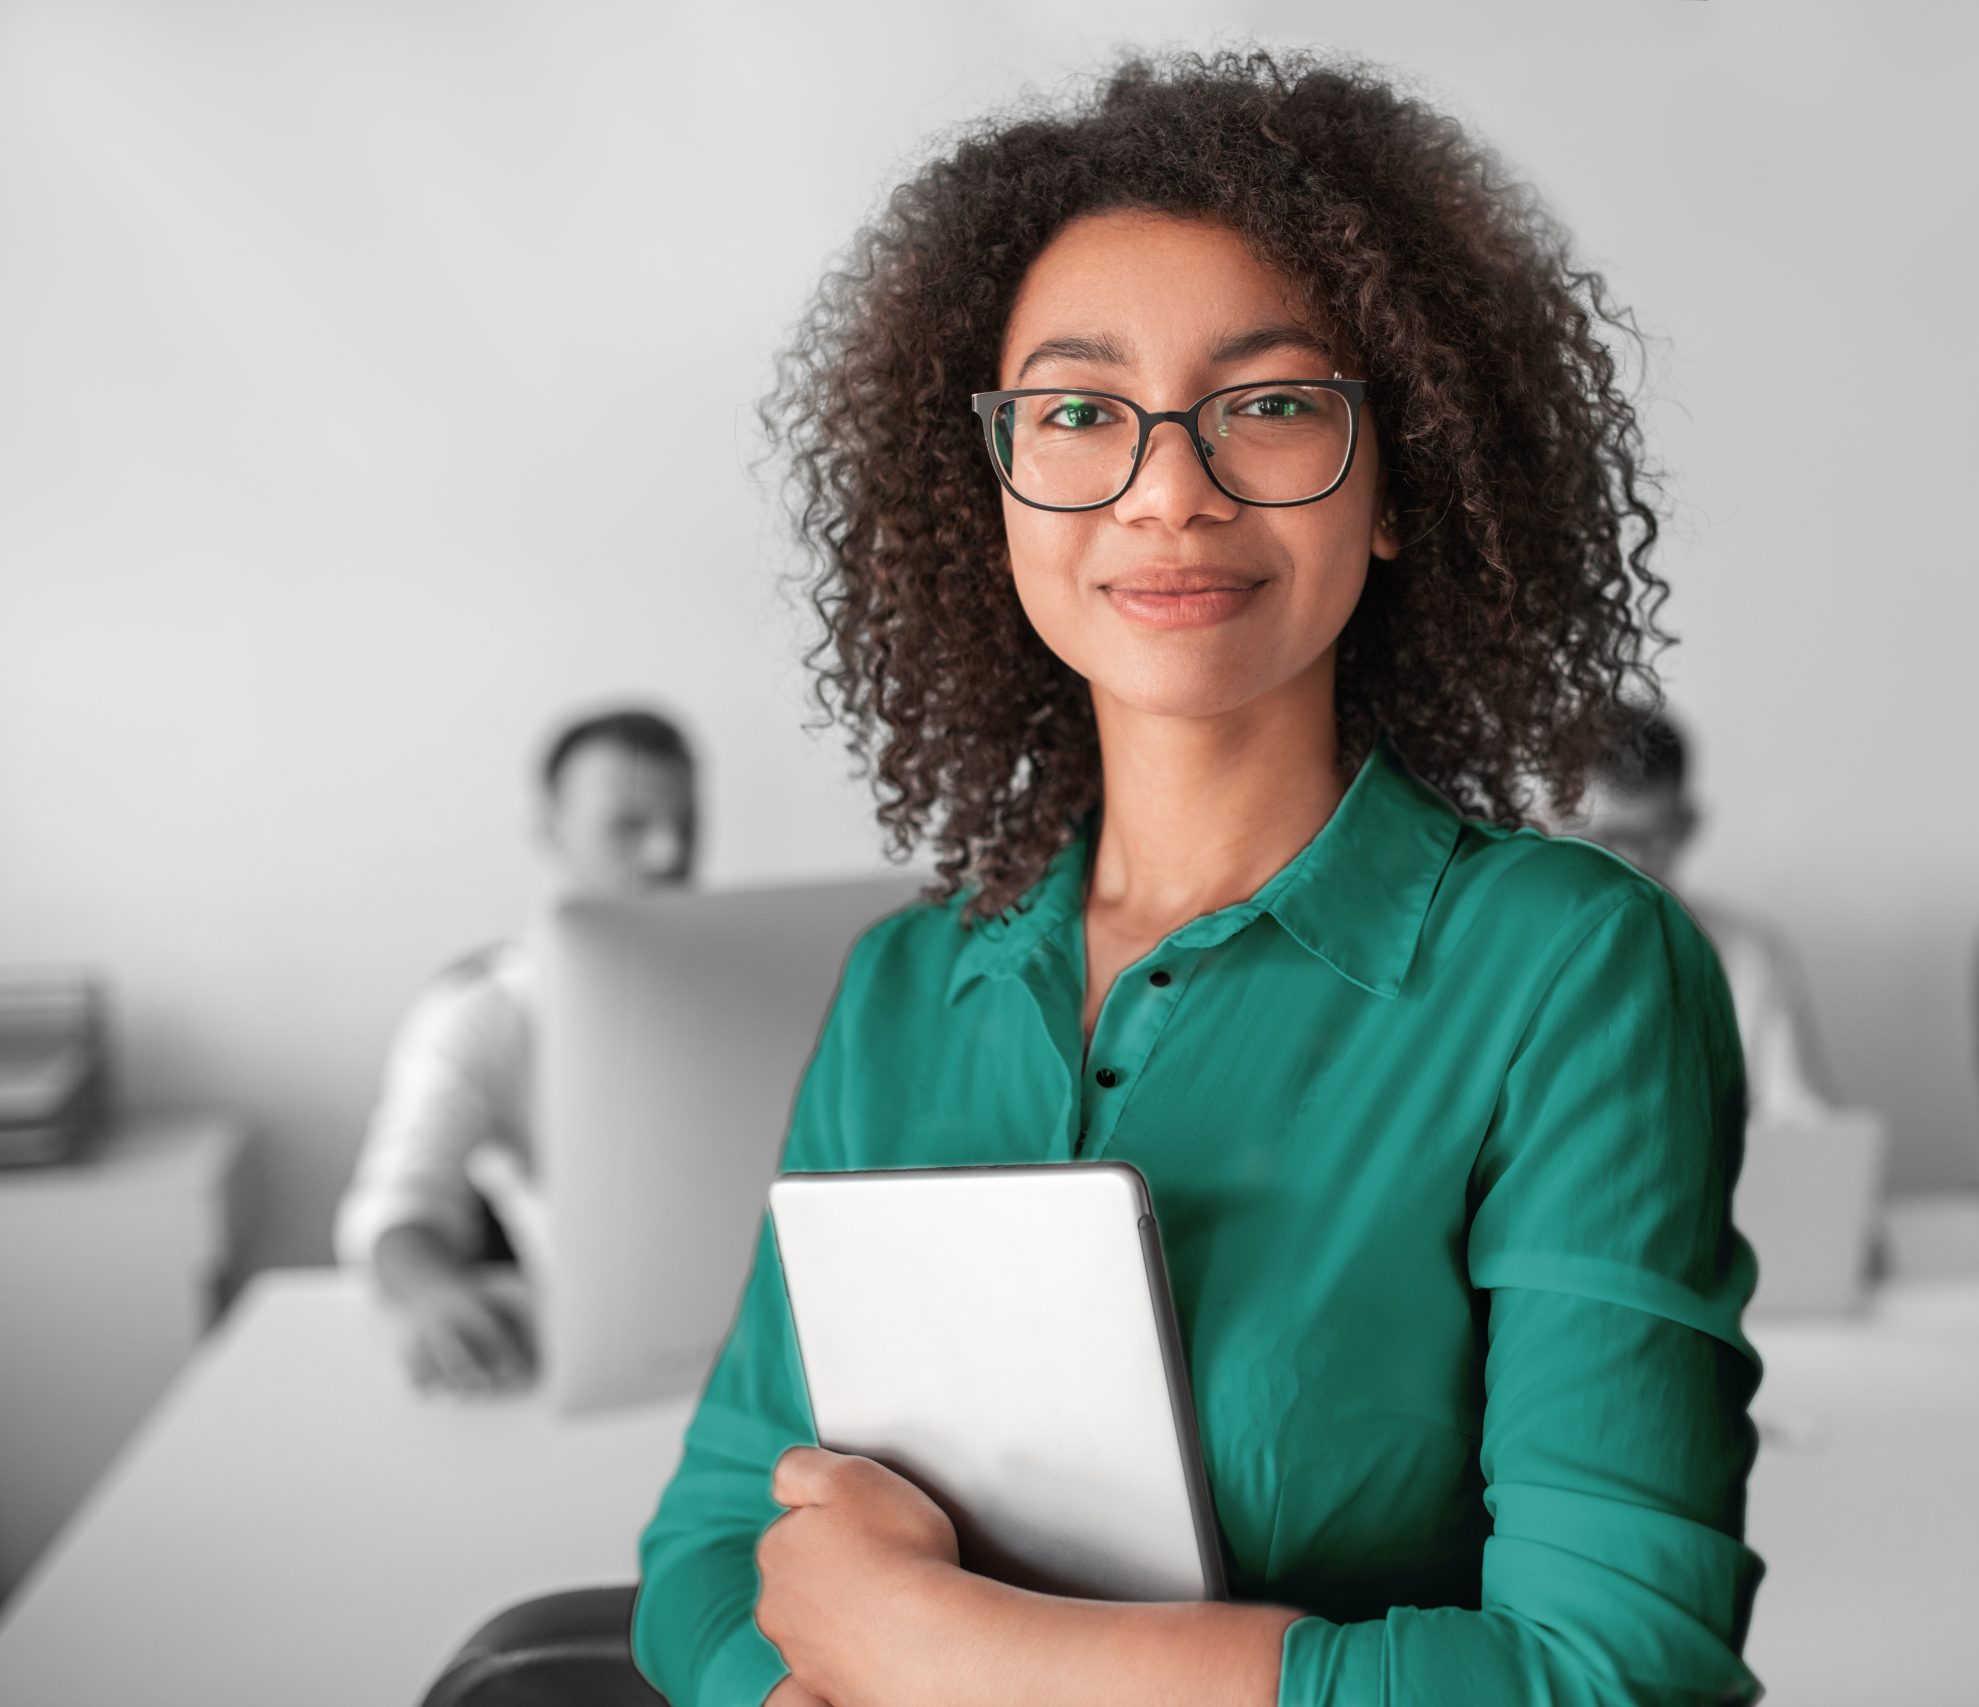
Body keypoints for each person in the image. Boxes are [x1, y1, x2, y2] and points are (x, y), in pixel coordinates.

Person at [634, 48, 1762, 1707]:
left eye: (1273, 403)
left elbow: (1616, 1672)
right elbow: (716, 1543)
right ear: (997, 493)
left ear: (1400, 484)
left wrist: (956, 1654)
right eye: (1081, 413)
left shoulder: (1571, 971)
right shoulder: (903, 987)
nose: (1170, 487)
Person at [333, 706, 699, 1395]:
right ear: (551, 831)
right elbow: (393, 1205)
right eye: (629, 825)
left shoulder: (761, 984)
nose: (668, 854)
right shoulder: (483, 1009)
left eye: (686, 823)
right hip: (599, 1366)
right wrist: (434, 1292)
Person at [1564, 708, 1841, 1129]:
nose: (1630, 861)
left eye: (1651, 837)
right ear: (1553, 829)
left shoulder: (1752, 959)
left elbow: (1811, 1137)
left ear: (1688, 828)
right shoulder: (1497, 958)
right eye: (1604, 839)